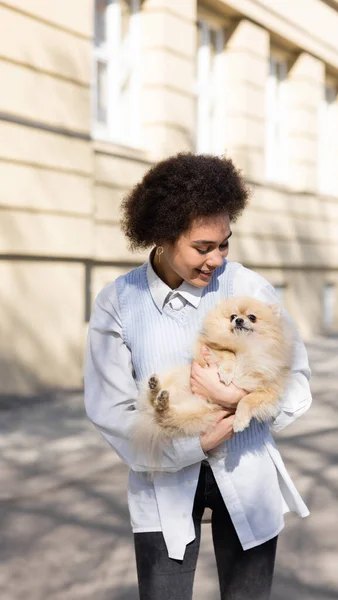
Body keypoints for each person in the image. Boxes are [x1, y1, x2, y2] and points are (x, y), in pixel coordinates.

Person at [84, 153, 312, 600]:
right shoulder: (120, 302)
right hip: (162, 482)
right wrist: (195, 444)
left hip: (247, 475)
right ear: (164, 238)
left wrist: (235, 398)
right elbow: (109, 409)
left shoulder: (249, 289)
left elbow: (298, 382)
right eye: (203, 248)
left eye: (225, 243)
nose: (217, 260)